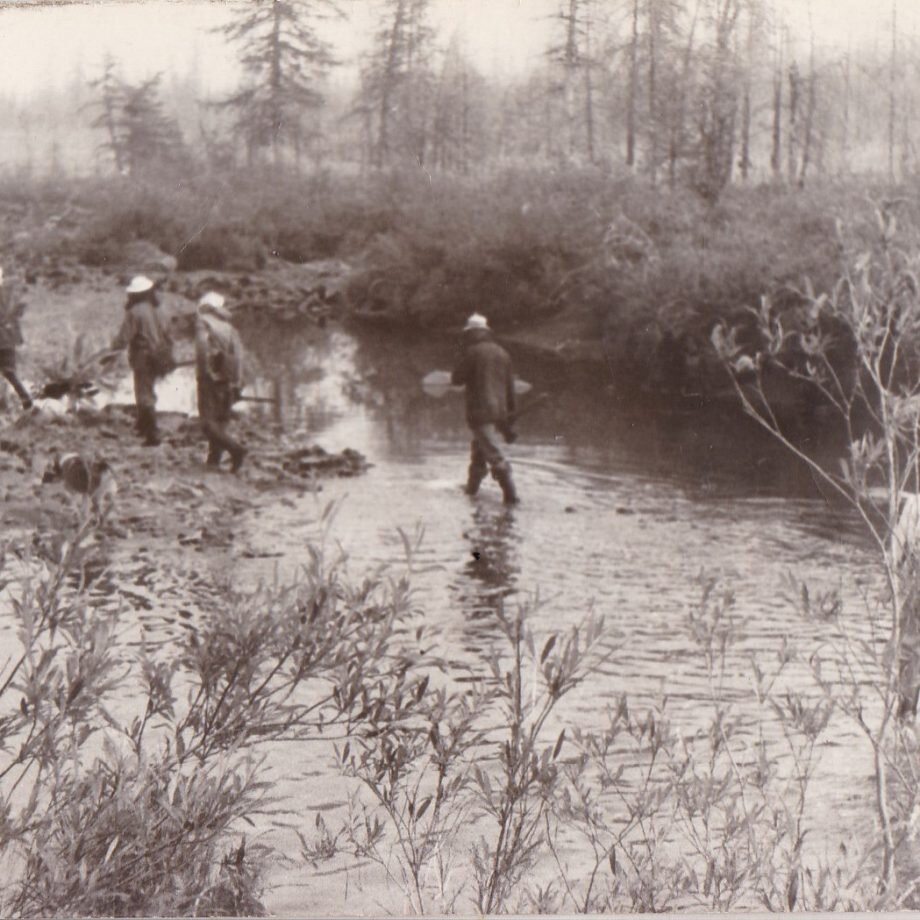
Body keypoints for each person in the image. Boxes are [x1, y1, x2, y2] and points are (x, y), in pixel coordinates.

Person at [451, 312, 519, 505]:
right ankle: (471, 491)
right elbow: (510, 387)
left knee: (492, 453)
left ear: (471, 333)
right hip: (500, 411)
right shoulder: (502, 352)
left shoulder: (471, 352)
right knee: (479, 450)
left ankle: (511, 497)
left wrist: (460, 355)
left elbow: (456, 379)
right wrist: (509, 419)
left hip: (480, 411)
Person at [111, 275, 173, 446]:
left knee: (143, 392)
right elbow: (169, 336)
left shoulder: (135, 312)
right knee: (148, 388)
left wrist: (112, 351)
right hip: (159, 355)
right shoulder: (160, 310)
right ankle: (143, 426)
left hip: (143, 356)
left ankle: (153, 434)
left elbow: (124, 337)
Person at [195, 291, 246, 472]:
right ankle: (213, 460)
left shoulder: (204, 323)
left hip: (210, 379)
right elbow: (239, 356)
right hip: (228, 378)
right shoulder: (230, 328)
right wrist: (238, 382)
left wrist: (203, 373)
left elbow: (202, 351)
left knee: (207, 423)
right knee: (221, 420)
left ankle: (236, 450)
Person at [0, 268, 33, 411]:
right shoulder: (8, 295)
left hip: (5, 337)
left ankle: (24, 399)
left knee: (8, 371)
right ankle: (21, 399)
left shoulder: (6, 296)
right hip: (7, 337)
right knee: (8, 371)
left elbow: (15, 313)